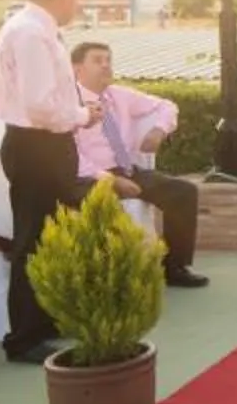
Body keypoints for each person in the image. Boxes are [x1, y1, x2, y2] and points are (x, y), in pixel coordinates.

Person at [0, 0, 93, 362]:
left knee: (50, 236)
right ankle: (24, 338)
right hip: (37, 146)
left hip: (42, 144)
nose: (76, 5)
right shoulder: (31, 34)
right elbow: (40, 104)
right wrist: (82, 115)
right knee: (32, 239)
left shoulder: (29, 28)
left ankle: (45, 322)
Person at [68, 42, 207, 288]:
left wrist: (158, 131)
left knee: (184, 192)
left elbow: (167, 106)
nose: (106, 65)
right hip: (89, 176)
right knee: (107, 209)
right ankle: (112, 275)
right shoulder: (69, 106)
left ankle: (174, 267)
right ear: (77, 68)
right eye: (98, 60)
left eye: (108, 60)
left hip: (127, 169)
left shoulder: (119, 95)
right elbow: (71, 155)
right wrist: (109, 180)